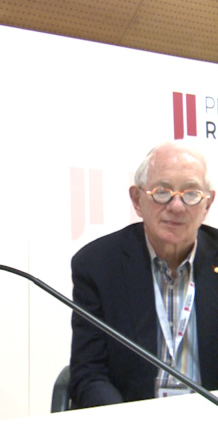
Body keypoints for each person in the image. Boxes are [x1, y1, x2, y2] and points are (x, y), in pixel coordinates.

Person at [69, 142, 218, 408]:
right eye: (162, 192)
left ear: (207, 204)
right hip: (134, 416)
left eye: (191, 194)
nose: (177, 206)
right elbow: (90, 374)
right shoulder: (98, 265)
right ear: (138, 200)